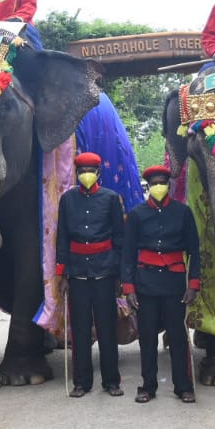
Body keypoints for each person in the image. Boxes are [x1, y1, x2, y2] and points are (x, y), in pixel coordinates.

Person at [122, 165, 202, 404]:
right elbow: (127, 254)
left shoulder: (183, 213)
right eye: (154, 183)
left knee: (177, 336)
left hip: (174, 283)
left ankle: (183, 386)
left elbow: (194, 252)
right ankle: (148, 386)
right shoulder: (136, 215)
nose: (158, 187)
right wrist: (129, 289)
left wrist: (193, 285)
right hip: (145, 283)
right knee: (147, 337)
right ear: (148, 186)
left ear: (168, 185)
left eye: (162, 182)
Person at [54, 151, 125, 397]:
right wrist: (62, 274)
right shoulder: (67, 200)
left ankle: (112, 382)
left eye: (90, 171)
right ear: (76, 173)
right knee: (80, 331)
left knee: (107, 329)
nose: (86, 175)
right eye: (81, 171)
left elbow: (119, 239)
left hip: (104, 272)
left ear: (98, 173)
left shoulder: (111, 199)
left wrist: (118, 276)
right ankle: (81, 383)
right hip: (77, 273)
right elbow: (62, 237)